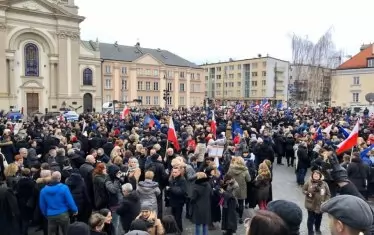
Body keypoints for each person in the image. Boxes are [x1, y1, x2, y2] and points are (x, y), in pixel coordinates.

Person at [39, 171, 78, 235]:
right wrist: (75, 210)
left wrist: (46, 214)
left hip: (51, 214)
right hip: (63, 213)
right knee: (67, 232)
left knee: (51, 233)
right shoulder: (64, 188)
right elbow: (70, 201)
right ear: (59, 178)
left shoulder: (43, 190)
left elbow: (42, 205)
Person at [302, 170, 330, 235]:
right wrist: (307, 193)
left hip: (320, 205)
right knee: (310, 219)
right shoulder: (308, 182)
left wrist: (325, 201)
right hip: (311, 204)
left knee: (318, 219)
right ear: (312, 175)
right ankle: (310, 232)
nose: (316, 175)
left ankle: (317, 229)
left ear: (320, 176)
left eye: (317, 175)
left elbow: (328, 194)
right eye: (314, 174)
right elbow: (303, 190)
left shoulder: (324, 184)